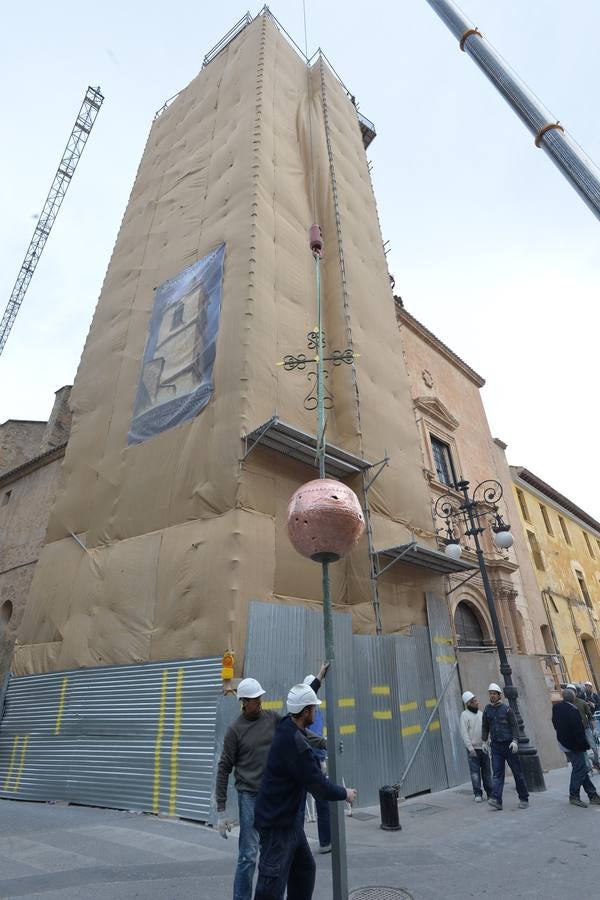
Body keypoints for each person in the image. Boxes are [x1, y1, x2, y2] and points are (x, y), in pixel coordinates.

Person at [216, 669, 327, 900]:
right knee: (248, 855)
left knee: (271, 854)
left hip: (272, 797)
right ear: (244, 702)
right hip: (249, 797)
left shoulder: (272, 719)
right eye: (255, 699)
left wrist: (324, 742)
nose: (259, 701)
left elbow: (300, 732)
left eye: (260, 697)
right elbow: (224, 768)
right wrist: (221, 810)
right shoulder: (234, 731)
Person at [253, 682, 356, 900]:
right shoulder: (296, 745)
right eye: (314, 708)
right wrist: (345, 793)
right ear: (306, 711)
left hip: (290, 822)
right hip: (277, 825)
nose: (316, 712)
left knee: (304, 870)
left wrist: (318, 678)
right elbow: (319, 786)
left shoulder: (286, 725)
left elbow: (306, 733)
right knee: (270, 886)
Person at [482, 682, 529, 811]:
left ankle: (524, 798)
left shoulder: (507, 709)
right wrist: (484, 741)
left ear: (499, 695)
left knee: (517, 773)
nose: (491, 696)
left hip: (509, 745)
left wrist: (515, 740)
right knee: (497, 774)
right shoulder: (487, 710)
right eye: (490, 693)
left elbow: (515, 726)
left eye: (494, 694)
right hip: (496, 746)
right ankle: (497, 800)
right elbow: (485, 727)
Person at [552, 687, 600, 807]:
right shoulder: (573, 710)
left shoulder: (556, 707)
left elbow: (555, 724)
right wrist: (583, 745)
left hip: (564, 743)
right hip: (573, 745)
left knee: (581, 768)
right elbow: (577, 730)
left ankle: (592, 794)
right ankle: (574, 796)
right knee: (580, 769)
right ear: (573, 698)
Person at [302, 675, 331, 853]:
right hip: (312, 759)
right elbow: (314, 735)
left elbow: (315, 735)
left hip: (311, 758)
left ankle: (325, 841)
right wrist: (321, 758)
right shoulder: (312, 710)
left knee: (302, 801)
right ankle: (325, 841)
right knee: (322, 800)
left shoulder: (312, 709)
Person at [460, 690, 492, 803]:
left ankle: (490, 793)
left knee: (487, 771)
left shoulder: (481, 714)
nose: (477, 702)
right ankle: (477, 793)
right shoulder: (464, 715)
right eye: (474, 701)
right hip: (473, 749)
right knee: (475, 773)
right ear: (468, 703)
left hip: (483, 747)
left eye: (476, 700)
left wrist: (485, 743)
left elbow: (486, 730)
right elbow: (464, 733)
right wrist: (470, 748)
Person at [566, 683, 600, 772]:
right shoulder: (565, 706)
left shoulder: (582, 702)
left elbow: (590, 716)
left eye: (572, 691)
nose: (571, 693)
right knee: (583, 750)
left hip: (586, 728)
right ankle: (588, 768)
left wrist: (594, 729)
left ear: (575, 692)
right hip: (577, 732)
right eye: (569, 691)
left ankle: (595, 761)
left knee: (594, 748)